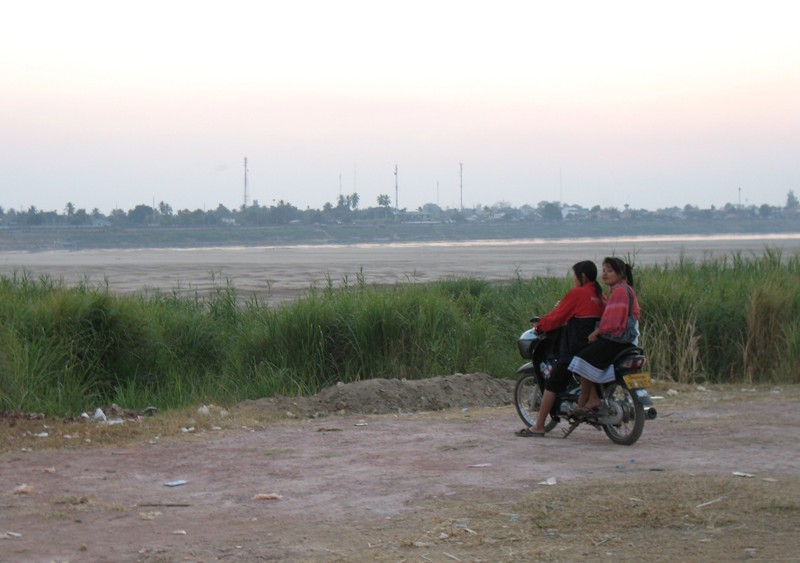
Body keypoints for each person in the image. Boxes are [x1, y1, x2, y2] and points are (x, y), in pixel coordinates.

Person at [516, 260, 605, 437]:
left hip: (576, 348)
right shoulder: (600, 296)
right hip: (595, 348)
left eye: (574, 276)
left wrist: (540, 327)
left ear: (582, 276)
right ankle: (589, 399)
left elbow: (557, 316)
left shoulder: (578, 293)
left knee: (553, 383)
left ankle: (539, 425)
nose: (573, 279)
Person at [569, 257, 640, 415]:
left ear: (620, 273)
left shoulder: (620, 291)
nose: (605, 274)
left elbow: (613, 321)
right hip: (627, 340)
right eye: (604, 271)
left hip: (617, 339)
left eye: (610, 271)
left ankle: (587, 400)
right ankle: (593, 397)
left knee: (580, 359)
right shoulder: (621, 289)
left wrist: (596, 333)